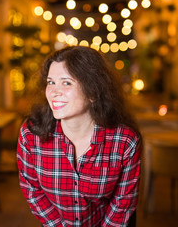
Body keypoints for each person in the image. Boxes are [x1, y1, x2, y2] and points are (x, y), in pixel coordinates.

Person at [17, 46, 141, 227]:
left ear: (92, 92)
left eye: (66, 83)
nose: (54, 91)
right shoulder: (31, 136)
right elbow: (32, 190)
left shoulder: (124, 142)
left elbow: (122, 204)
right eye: (51, 82)